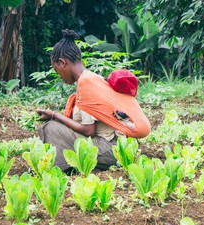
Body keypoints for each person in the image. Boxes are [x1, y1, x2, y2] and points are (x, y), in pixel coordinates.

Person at [37, 29, 151, 172]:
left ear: (62, 62)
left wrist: (54, 115)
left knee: (50, 128)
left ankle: (67, 169)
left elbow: (88, 130)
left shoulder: (85, 83)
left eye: (57, 70)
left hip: (112, 150)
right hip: (123, 147)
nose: (59, 75)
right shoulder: (93, 78)